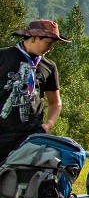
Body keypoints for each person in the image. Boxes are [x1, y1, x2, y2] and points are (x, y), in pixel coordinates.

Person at [0, 19, 67, 164]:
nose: (50, 48)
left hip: (31, 137)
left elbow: (55, 102)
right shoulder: (3, 57)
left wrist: (49, 124)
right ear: (34, 38)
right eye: (48, 43)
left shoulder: (48, 67)